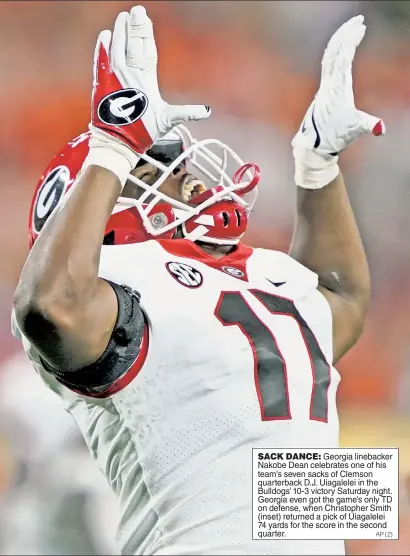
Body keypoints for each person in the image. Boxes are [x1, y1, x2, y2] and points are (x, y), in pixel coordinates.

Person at [12, 6, 385, 555]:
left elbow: (341, 301)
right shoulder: (118, 279)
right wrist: (113, 147)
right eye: (149, 171)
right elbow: (51, 306)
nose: (185, 177)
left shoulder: (265, 272)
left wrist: (317, 168)